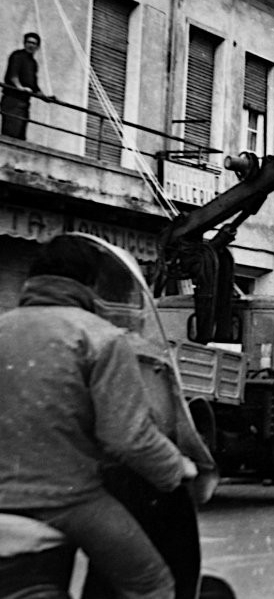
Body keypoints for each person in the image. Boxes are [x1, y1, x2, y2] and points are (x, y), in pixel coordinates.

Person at [0, 234, 198, 599]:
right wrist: (176, 468)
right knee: (151, 585)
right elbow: (127, 437)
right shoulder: (102, 338)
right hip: (67, 501)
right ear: (90, 283)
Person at [1, 32, 50, 139]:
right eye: (29, 42)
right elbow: (12, 75)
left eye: (34, 43)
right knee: (11, 132)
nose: (31, 45)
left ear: (37, 47)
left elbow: (34, 86)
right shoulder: (17, 55)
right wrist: (20, 87)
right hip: (12, 100)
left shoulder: (33, 63)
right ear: (24, 43)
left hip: (24, 103)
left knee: (20, 135)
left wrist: (45, 98)